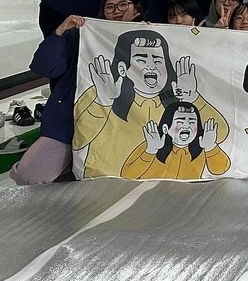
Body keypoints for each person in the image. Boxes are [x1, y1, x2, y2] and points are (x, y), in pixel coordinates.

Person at [11, 0, 143, 185]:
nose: (116, 11)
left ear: (137, 9)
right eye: (110, 7)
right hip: (70, 126)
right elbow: (44, 67)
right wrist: (60, 32)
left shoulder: (150, 40)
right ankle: (68, 170)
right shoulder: (81, 37)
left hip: (124, 129)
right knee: (27, 175)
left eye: (123, 5)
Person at [73, 28, 229, 178]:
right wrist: (103, 102)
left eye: (158, 60)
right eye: (141, 60)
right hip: (104, 180)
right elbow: (80, 141)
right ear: (122, 68)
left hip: (163, 185)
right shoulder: (101, 91)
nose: (151, 66)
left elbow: (221, 135)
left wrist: (193, 97)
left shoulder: (180, 103)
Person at [121, 101, 231, 180]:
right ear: (165, 128)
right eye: (180, 121)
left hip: (185, 197)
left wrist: (211, 147)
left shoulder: (201, 147)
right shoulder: (153, 144)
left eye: (192, 122)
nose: (187, 126)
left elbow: (220, 170)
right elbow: (127, 175)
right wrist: (150, 150)